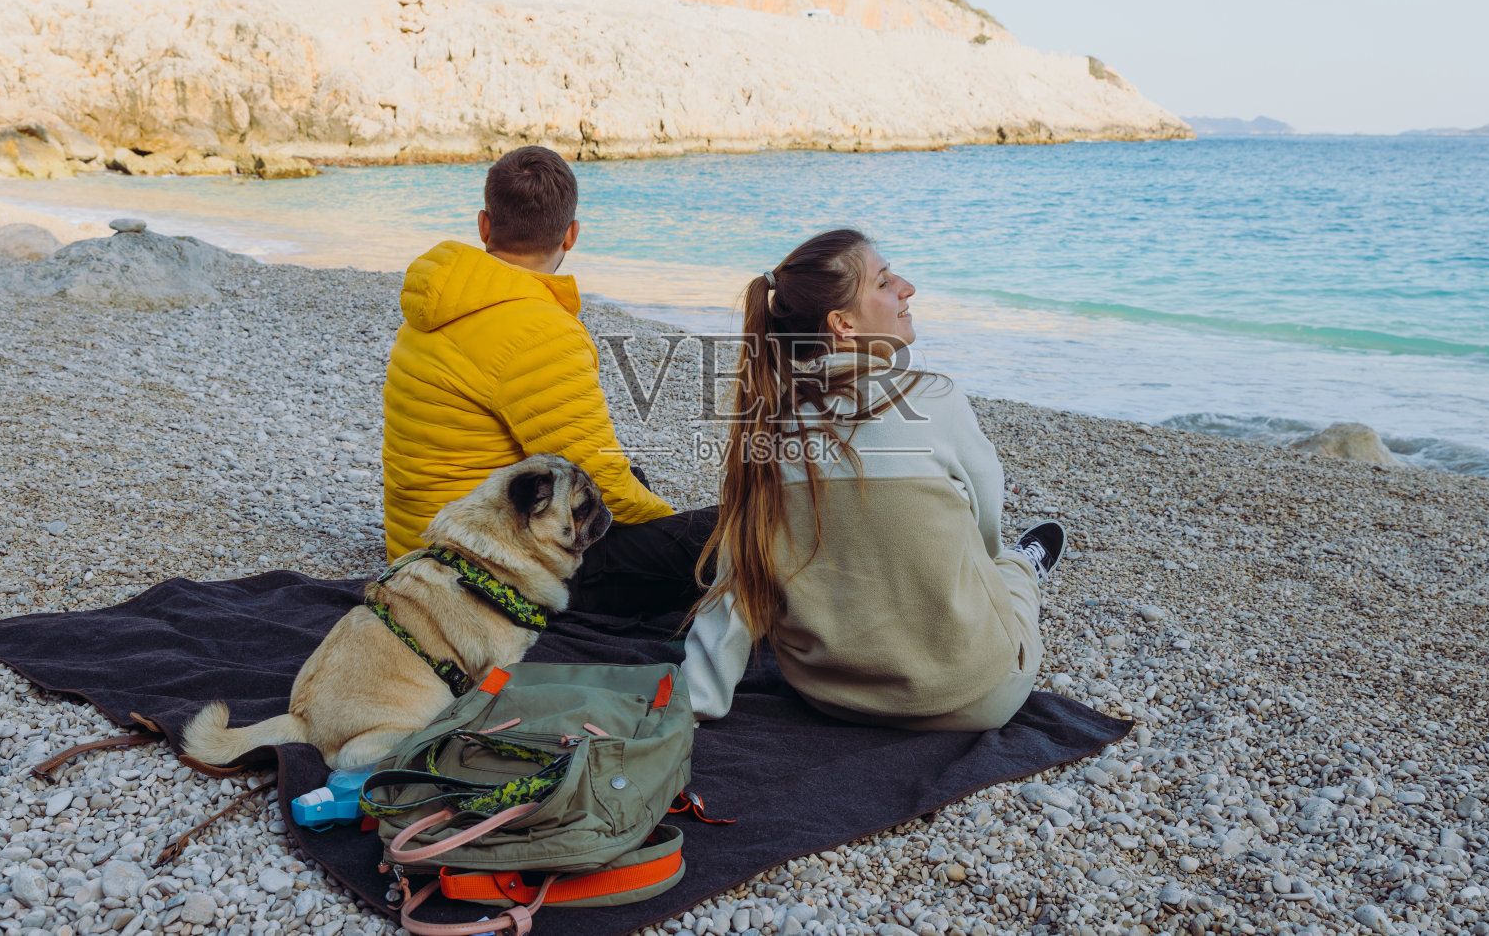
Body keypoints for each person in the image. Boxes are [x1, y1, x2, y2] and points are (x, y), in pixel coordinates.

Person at [681, 228, 1063, 730]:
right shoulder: (936, 400)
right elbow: (984, 529)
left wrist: (694, 701)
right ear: (842, 323)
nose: (907, 288)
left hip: (831, 697)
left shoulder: (768, 427)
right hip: (979, 698)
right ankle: (1027, 564)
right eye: (884, 282)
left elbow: (738, 587)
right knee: (1007, 568)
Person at [382, 145, 715, 615]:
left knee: (631, 487)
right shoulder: (539, 330)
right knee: (721, 534)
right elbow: (603, 479)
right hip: (486, 573)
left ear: (484, 225)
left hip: (421, 543)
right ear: (571, 234)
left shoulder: (441, 303)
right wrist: (670, 527)